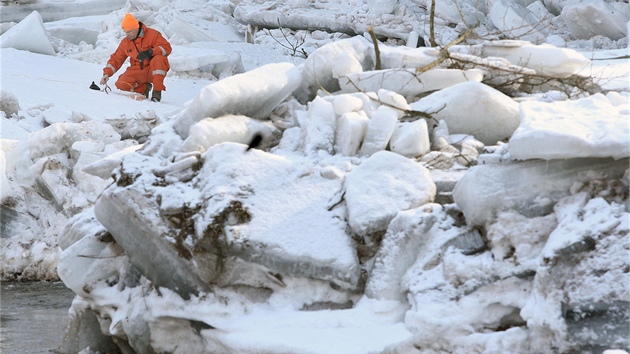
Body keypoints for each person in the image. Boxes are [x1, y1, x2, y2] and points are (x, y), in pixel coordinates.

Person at [100, 13, 171, 102]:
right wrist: (107, 73)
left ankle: (157, 92)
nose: (127, 35)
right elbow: (116, 58)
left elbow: (167, 48)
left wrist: (150, 52)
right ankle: (144, 89)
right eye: (125, 32)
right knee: (121, 85)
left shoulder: (152, 35)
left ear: (136, 28)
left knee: (159, 59)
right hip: (138, 69)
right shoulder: (126, 42)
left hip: (153, 69)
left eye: (129, 32)